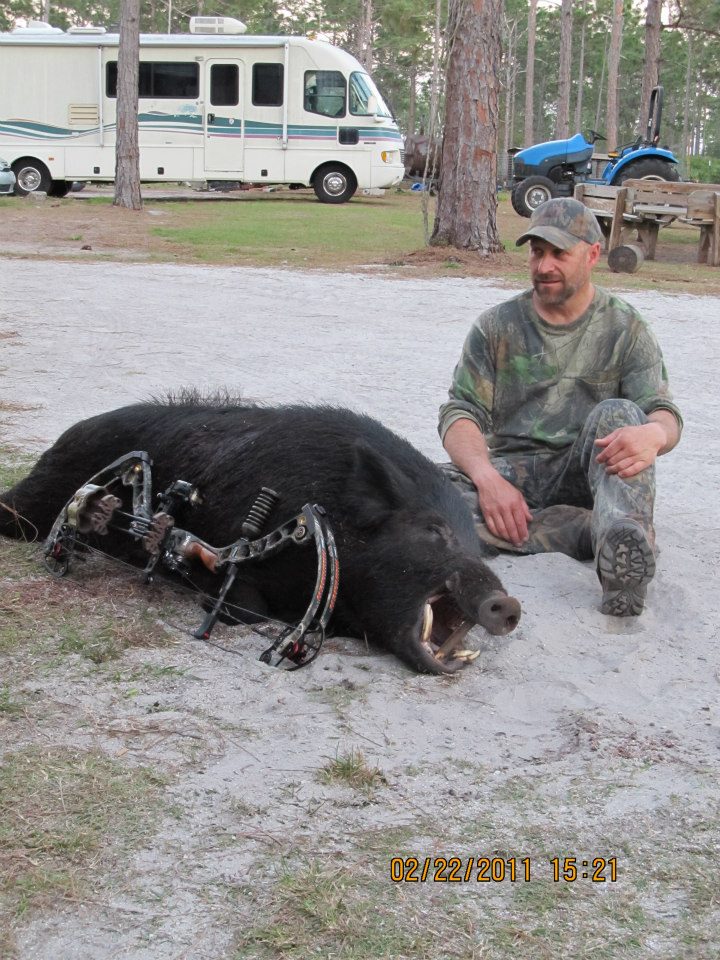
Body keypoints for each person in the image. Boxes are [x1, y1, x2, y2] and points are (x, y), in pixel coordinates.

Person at [438, 197, 682, 617]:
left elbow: (662, 411)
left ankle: (617, 546)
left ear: (592, 255)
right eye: (537, 252)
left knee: (622, 414)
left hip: (587, 475)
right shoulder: (496, 326)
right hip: (510, 475)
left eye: (558, 254)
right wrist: (487, 478)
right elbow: (461, 412)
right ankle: (594, 531)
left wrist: (653, 435)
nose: (544, 266)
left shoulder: (626, 328)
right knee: (429, 499)